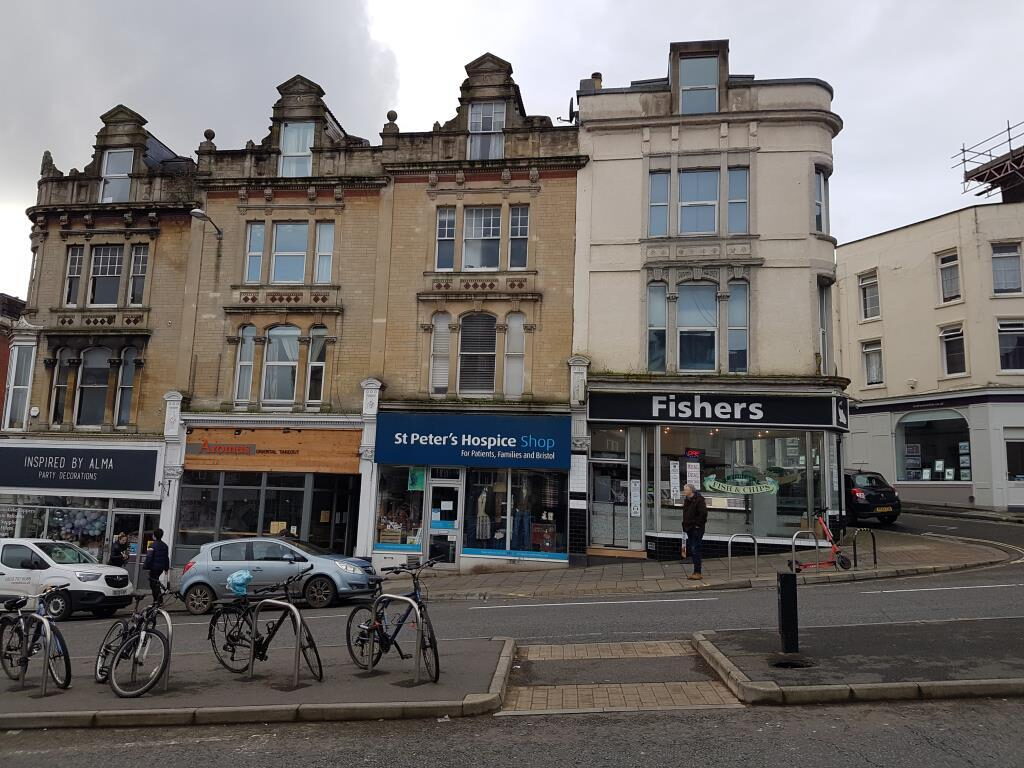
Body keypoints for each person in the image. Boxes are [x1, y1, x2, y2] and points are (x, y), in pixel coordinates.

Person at [681, 483, 708, 580]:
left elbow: (703, 513)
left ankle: (697, 572)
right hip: (689, 528)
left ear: (691, 490)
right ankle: (696, 571)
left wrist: (697, 525)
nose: (684, 491)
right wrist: (684, 525)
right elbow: (686, 514)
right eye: (684, 489)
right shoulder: (687, 500)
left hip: (696, 529)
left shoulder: (699, 500)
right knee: (693, 549)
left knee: (695, 549)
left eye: (686, 489)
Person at [142, 528, 170, 603]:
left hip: (154, 568)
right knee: (156, 583)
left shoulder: (152, 545)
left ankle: (157, 601)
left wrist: (145, 566)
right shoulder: (165, 546)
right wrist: (166, 568)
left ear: (154, 536)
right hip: (160, 568)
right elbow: (166, 558)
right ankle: (159, 600)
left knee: (153, 585)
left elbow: (149, 557)